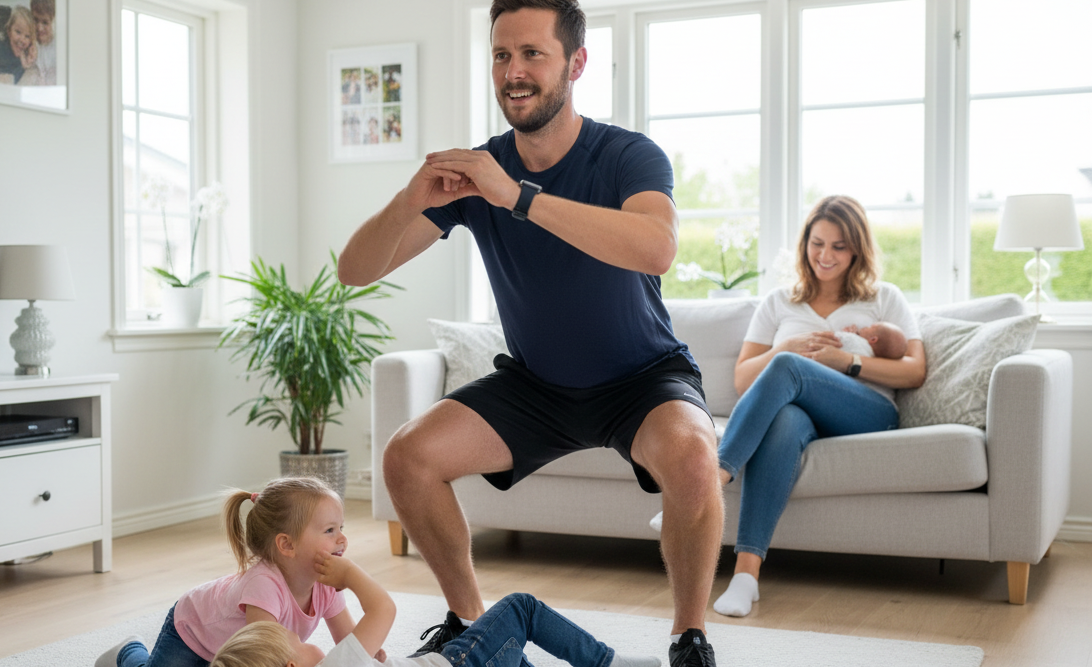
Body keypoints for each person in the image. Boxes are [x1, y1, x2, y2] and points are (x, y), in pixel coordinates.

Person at [337, 1, 722, 666]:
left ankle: (689, 637)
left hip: (642, 378)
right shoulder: (474, 170)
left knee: (694, 457)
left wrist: (517, 195)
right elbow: (353, 271)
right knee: (406, 459)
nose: (513, 72)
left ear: (575, 63)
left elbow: (657, 247)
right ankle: (469, 619)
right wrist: (411, 197)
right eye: (500, 55)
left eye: (531, 54)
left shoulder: (626, 154)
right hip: (538, 383)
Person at [710, 195, 926, 618]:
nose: (825, 255)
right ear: (804, 244)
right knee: (785, 419)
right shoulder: (778, 302)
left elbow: (915, 371)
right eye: (817, 243)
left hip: (867, 413)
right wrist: (785, 346)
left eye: (839, 246)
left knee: (789, 366)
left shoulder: (884, 299)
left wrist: (848, 361)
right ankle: (745, 576)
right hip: (803, 415)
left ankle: (706, 487)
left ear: (857, 250)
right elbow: (742, 379)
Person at [211, 551, 661, 667]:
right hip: (457, 662)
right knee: (520, 608)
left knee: (508, 650)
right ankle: (605, 661)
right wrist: (349, 576)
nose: (305, 637)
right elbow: (382, 609)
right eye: (296, 638)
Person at [95, 477, 366, 667]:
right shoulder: (265, 585)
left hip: (231, 653)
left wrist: (371, 654)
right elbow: (264, 656)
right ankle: (128, 652)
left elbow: (350, 643)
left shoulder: (325, 582)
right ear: (287, 544)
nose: (341, 539)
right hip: (193, 631)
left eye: (342, 528)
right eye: (330, 530)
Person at [0, 5, 38, 85]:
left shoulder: (26, 53)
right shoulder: (0, 47)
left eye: (27, 36)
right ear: (9, 31)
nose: (22, 40)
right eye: (18, 32)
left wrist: (26, 63)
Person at [838, 321, 907, 361]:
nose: (865, 327)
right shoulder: (870, 358)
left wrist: (847, 334)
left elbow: (837, 340)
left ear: (873, 339)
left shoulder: (857, 344)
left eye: (870, 327)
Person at [31, 0, 57, 85]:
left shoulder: (58, 47)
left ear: (53, 20)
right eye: (35, 20)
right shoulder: (29, 43)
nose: (39, 28)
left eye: (45, 22)